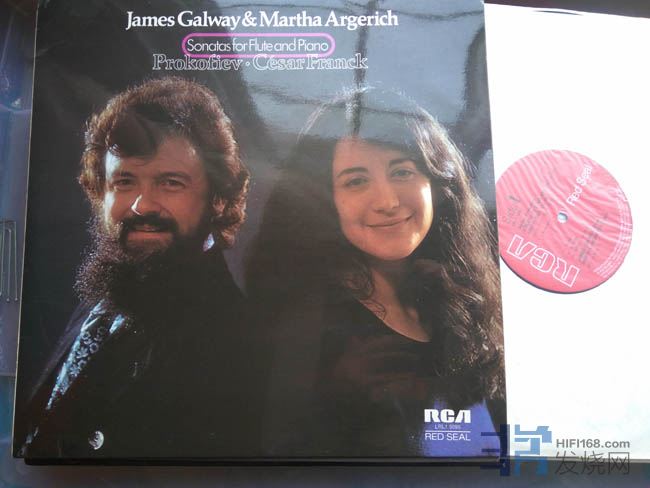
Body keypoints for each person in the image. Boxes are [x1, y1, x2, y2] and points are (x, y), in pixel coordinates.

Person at [246, 87, 505, 457]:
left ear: (437, 185)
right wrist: (340, 393)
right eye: (356, 181)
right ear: (324, 200)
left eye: (402, 171)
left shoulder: (462, 300)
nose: (388, 201)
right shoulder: (304, 321)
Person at [17, 77, 253, 459]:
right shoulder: (112, 292)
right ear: (100, 191)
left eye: (170, 183)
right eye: (124, 181)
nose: (142, 205)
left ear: (219, 199)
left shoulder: (230, 339)